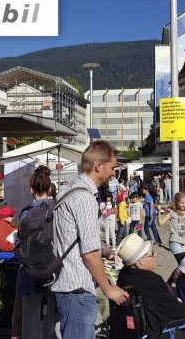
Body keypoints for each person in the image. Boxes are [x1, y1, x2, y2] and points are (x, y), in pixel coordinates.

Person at [51, 140, 129, 339]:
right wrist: (108, 288)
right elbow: (89, 253)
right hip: (77, 287)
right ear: (98, 166)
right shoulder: (84, 198)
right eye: (112, 168)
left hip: (67, 284)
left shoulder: (69, 190)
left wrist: (105, 251)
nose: (113, 173)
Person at [116, 234, 185, 339]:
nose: (155, 255)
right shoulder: (152, 280)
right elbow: (177, 311)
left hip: (132, 327)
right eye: (151, 254)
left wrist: (172, 300)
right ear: (139, 264)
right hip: (153, 331)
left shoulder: (123, 274)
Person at [11, 165, 57, 339]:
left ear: (31, 189)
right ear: (49, 188)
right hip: (52, 270)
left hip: (29, 272)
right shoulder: (57, 209)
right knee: (49, 321)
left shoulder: (27, 213)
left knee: (25, 320)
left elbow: (20, 244)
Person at [156, 192, 185, 258]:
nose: (184, 205)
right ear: (177, 202)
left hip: (183, 243)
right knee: (183, 262)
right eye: (181, 203)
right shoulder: (172, 213)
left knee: (184, 264)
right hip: (174, 242)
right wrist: (158, 212)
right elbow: (160, 223)